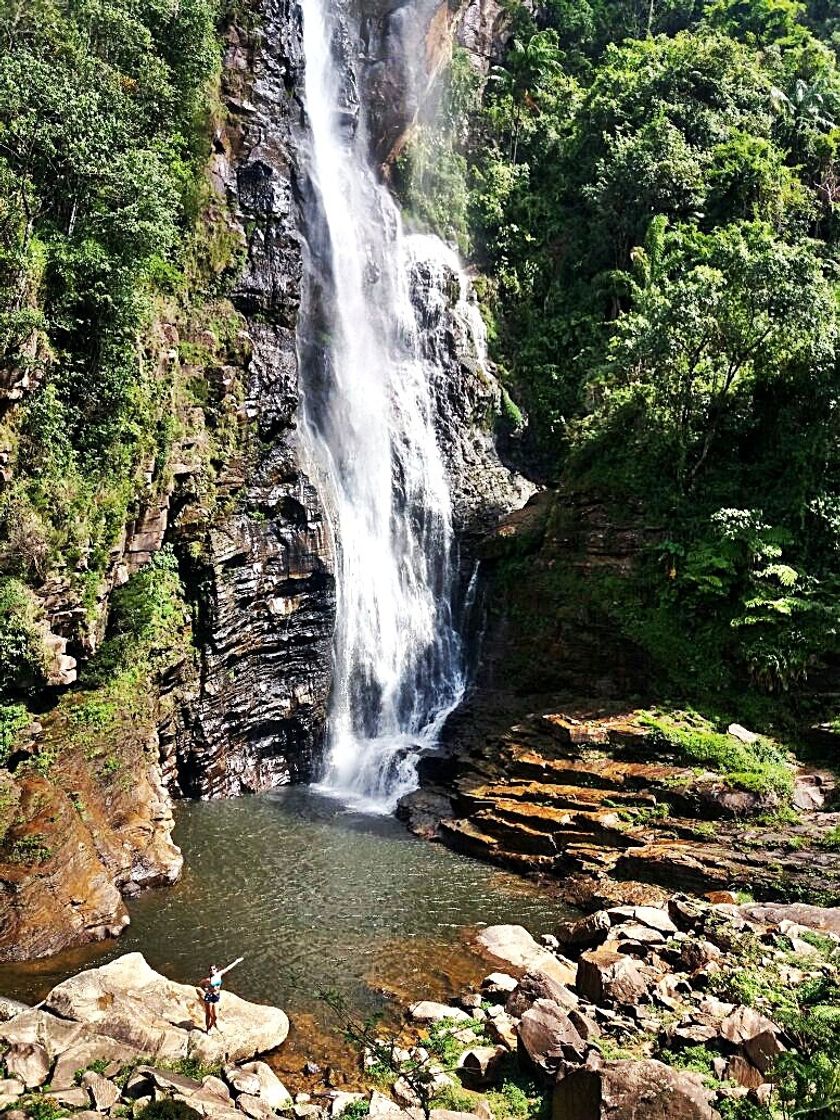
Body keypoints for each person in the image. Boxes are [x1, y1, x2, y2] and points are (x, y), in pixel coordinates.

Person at [199, 957, 244, 1032]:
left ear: (216, 970)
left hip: (216, 996)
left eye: (213, 969)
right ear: (209, 971)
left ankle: (212, 1025)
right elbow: (201, 984)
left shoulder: (219, 974)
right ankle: (208, 1028)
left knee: (215, 1016)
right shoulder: (208, 980)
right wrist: (206, 990)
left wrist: (237, 961)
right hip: (209, 997)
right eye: (210, 970)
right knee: (209, 1014)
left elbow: (228, 968)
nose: (212, 971)